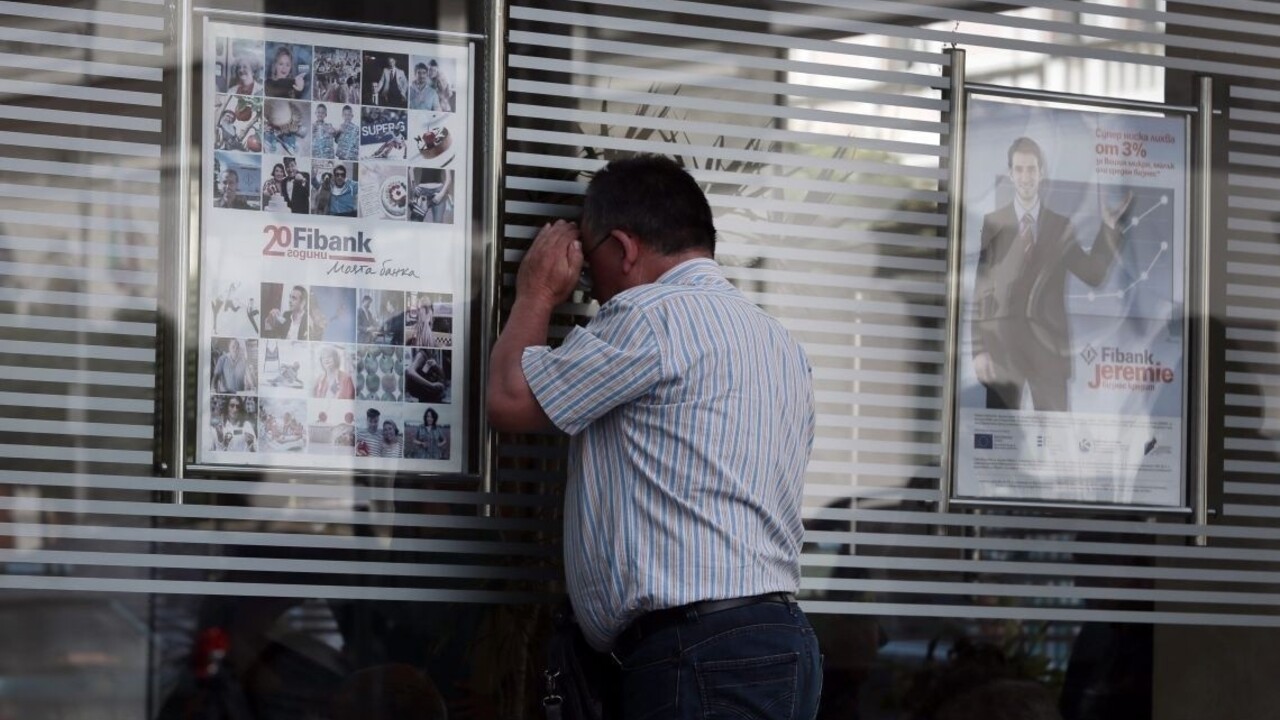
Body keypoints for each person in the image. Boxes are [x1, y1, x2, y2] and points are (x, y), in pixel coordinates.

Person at [486, 154, 819, 719]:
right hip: (770, 640)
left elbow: (510, 399)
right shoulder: (776, 339)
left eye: (588, 268)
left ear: (624, 247)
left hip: (699, 654)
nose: (589, 290)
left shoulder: (648, 316)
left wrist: (537, 293)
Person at [970, 136, 1134, 412]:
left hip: (1049, 354)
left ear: (1041, 172)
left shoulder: (1060, 226)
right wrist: (979, 350)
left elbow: (1093, 273)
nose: (1025, 177)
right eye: (1019, 170)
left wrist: (1108, 230)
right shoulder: (994, 224)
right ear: (1011, 174)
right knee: (1002, 445)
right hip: (1003, 354)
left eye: (1031, 169)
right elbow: (981, 290)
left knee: (1056, 443)